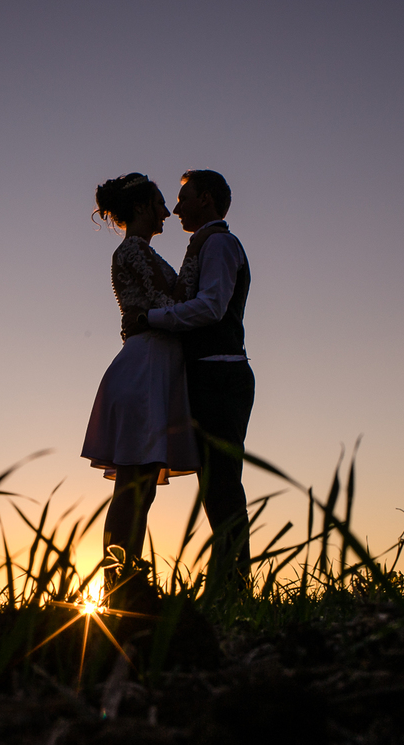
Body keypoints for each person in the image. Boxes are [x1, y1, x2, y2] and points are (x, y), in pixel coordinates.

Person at [81, 173, 215, 585]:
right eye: (159, 203)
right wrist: (197, 252)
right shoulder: (133, 252)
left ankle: (127, 577)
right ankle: (118, 581)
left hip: (155, 368)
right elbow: (173, 302)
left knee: (143, 484)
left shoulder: (144, 253)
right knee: (132, 484)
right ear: (140, 208)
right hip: (143, 370)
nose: (166, 212)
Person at [123, 170, 254, 584]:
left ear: (208, 199)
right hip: (205, 374)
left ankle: (235, 586)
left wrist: (150, 318)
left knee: (222, 485)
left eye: (185, 197)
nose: (176, 208)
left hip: (221, 372)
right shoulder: (204, 246)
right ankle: (229, 585)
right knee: (214, 487)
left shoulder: (218, 244)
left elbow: (211, 307)